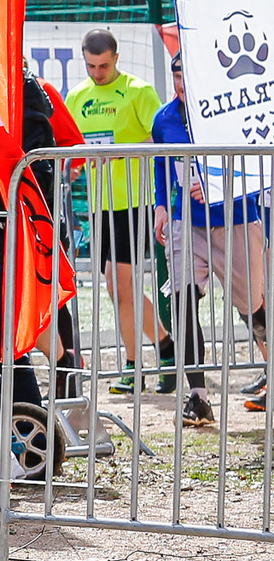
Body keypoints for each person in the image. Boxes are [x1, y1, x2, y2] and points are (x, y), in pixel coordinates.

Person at [152, 53, 258, 427]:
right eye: (176, 76)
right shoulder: (165, 118)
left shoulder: (232, 111)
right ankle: (197, 397)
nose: (182, 84)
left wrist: (214, 185)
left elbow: (256, 164)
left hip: (238, 220)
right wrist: (162, 205)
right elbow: (161, 164)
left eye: (187, 75)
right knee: (181, 303)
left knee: (255, 307)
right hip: (186, 223)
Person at [65, 29, 169, 392]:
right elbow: (72, 148)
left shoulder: (139, 91)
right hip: (100, 204)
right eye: (91, 65)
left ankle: (133, 366)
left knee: (122, 283)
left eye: (104, 65)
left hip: (135, 201)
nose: (97, 72)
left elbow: (161, 138)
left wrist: (121, 152)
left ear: (117, 58)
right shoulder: (77, 96)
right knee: (114, 285)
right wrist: (76, 166)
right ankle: (164, 346)